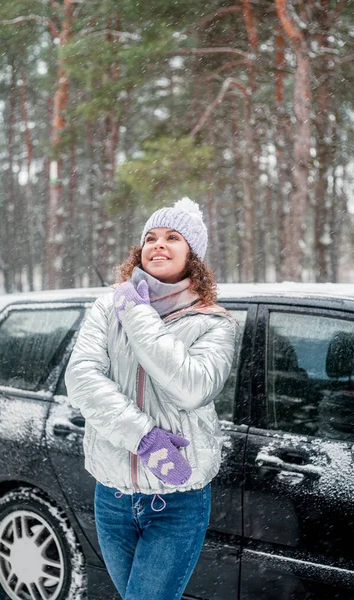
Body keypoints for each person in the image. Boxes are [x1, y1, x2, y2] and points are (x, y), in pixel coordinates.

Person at [65, 197, 237, 600]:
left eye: (172, 237)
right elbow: (82, 378)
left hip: (177, 503)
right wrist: (143, 436)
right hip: (113, 495)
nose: (158, 244)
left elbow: (192, 388)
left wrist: (139, 316)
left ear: (192, 254)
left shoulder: (213, 322)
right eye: (151, 237)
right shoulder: (108, 307)